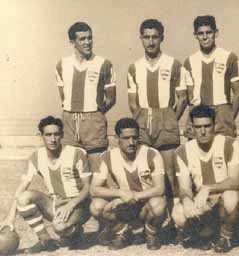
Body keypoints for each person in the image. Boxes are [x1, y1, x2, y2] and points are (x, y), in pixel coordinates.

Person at [0, 116, 92, 253]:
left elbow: (87, 187)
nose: (53, 139)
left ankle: (75, 233)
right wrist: (10, 217)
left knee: (60, 228)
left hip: (79, 205)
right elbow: (22, 187)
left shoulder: (76, 154)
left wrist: (71, 204)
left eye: (56, 134)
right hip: (55, 204)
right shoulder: (36, 157)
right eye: (48, 135)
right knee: (24, 198)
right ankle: (46, 240)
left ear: (62, 135)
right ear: (41, 136)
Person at [127, 19, 189, 205]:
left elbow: (183, 97)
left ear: (161, 38)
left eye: (155, 37)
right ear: (141, 39)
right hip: (143, 120)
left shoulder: (173, 64)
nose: (151, 41)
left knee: (170, 172)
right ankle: (149, 215)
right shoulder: (134, 67)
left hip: (166, 118)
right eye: (146, 37)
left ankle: (174, 216)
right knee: (144, 169)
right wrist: (143, 119)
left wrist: (169, 119)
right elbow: (132, 102)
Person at [171, 105, 239, 252]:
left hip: (222, 197)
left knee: (231, 197)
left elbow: (235, 181)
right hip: (202, 202)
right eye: (198, 127)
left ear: (215, 126)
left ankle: (225, 236)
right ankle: (202, 234)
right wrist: (186, 201)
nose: (202, 132)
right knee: (178, 214)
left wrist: (208, 188)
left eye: (207, 126)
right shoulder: (182, 152)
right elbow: (184, 188)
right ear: (192, 128)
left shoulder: (229, 144)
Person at [90, 118, 166, 250]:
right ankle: (122, 231)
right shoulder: (106, 156)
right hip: (123, 205)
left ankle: (150, 232)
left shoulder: (151, 154)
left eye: (135, 138)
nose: (131, 142)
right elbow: (94, 189)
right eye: (126, 138)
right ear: (116, 138)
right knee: (96, 206)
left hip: (145, 205)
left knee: (159, 203)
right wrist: (120, 193)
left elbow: (160, 188)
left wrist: (135, 195)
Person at [55, 22, 116, 173]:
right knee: (71, 168)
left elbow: (111, 98)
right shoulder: (62, 64)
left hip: (93, 120)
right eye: (82, 39)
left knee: (98, 168)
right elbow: (64, 97)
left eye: (90, 38)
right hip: (69, 120)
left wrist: (95, 113)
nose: (87, 42)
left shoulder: (104, 64)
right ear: (72, 42)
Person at [184, 15, 239, 138]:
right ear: (195, 35)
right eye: (201, 34)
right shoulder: (189, 61)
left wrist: (229, 117)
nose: (205, 37)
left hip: (222, 113)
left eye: (208, 32)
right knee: (198, 155)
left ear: (216, 33)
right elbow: (190, 97)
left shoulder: (229, 57)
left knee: (224, 153)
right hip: (199, 113)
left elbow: (238, 93)